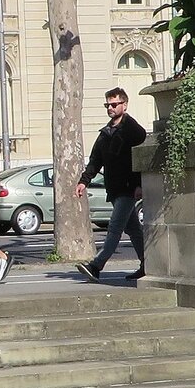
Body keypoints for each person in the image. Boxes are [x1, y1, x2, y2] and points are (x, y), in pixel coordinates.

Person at [74, 86, 148, 281]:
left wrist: (139, 184)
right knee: (133, 229)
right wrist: (84, 182)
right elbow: (95, 160)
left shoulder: (133, 130)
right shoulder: (106, 133)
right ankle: (147, 264)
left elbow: (140, 157)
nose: (110, 108)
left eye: (114, 104)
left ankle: (96, 265)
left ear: (125, 105)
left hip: (128, 188)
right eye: (108, 105)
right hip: (115, 189)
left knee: (115, 227)